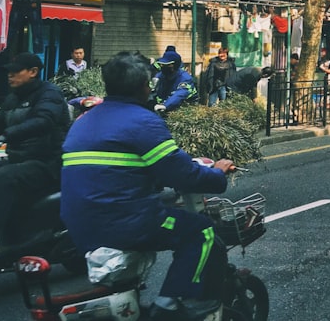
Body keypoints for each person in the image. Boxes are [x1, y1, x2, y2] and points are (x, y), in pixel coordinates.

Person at [61, 51, 233, 320]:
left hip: (78, 226)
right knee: (202, 232)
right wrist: (218, 175)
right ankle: (171, 307)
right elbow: (182, 175)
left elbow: (121, 168)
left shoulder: (83, 122)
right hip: (127, 221)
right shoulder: (143, 121)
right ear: (145, 86)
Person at [0, 52, 70, 258]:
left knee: (5, 177)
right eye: (8, 72)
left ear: (33, 72)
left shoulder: (50, 94)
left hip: (47, 162)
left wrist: (6, 135)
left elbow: (43, 121)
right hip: (20, 159)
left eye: (15, 72)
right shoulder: (13, 98)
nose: (10, 76)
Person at [151, 47, 198, 112]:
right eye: (162, 65)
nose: (163, 67)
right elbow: (151, 88)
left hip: (186, 106)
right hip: (164, 106)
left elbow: (180, 93)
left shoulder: (185, 78)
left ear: (175, 66)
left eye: (167, 65)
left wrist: (166, 105)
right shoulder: (160, 76)